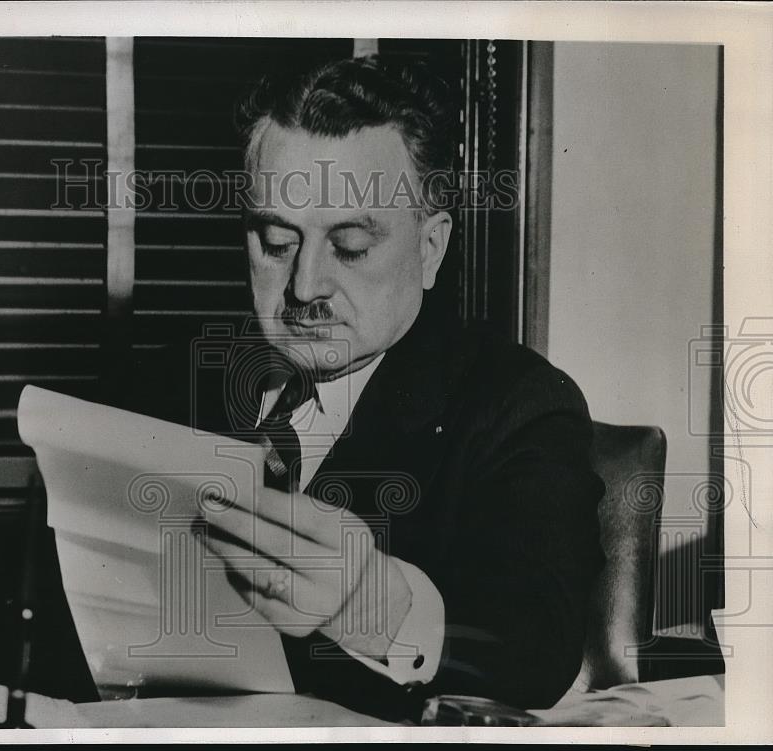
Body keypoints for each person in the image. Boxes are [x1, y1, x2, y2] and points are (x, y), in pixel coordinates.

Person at [111, 55, 605, 722]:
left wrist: (376, 604)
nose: (306, 286)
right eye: (276, 241)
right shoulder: (168, 383)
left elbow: (537, 646)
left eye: (348, 246)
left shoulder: (517, 407)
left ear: (430, 248)